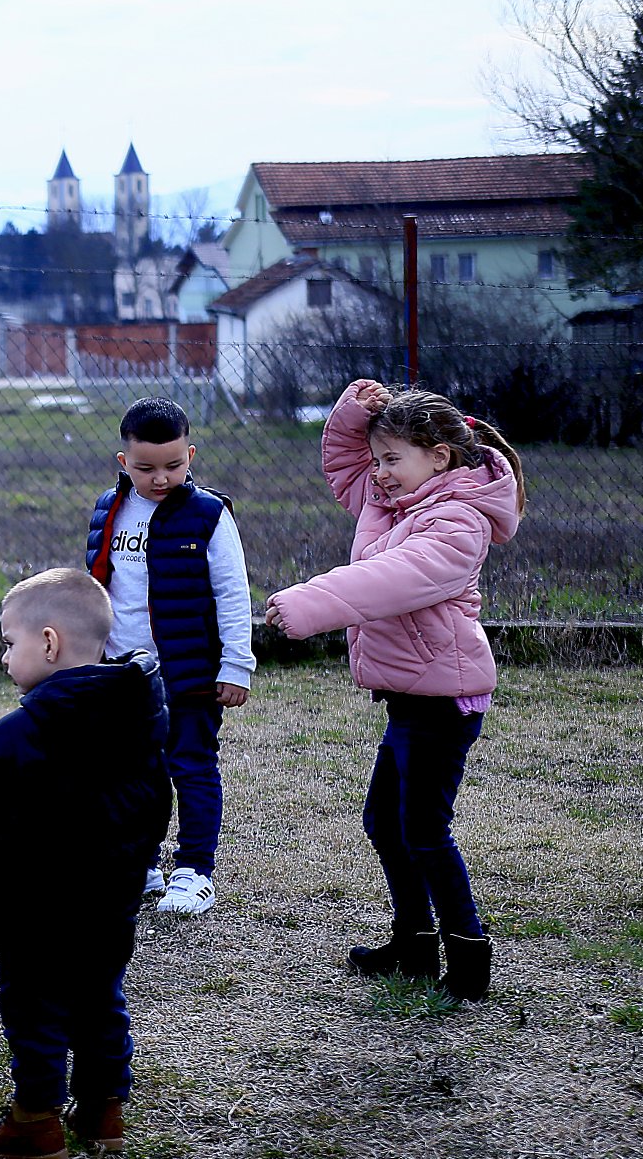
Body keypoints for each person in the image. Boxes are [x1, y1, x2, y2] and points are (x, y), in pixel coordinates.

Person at [266, 380, 524, 1004]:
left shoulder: (457, 521)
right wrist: (357, 413)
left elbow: (393, 578)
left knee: (425, 831)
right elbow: (344, 463)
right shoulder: (393, 501)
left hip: (443, 702)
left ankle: (468, 956)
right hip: (412, 697)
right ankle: (413, 942)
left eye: (392, 459)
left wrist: (308, 603)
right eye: (377, 460)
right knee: (386, 821)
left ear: (439, 457)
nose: (378, 473)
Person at [0, 568, 169, 1159]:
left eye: (9, 642)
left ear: (48, 643)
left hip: (35, 908)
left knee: (34, 1004)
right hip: (111, 898)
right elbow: (156, 802)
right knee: (100, 995)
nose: (3, 656)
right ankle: (103, 1109)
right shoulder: (140, 717)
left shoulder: (17, 734)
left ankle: (36, 1121)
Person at [84, 397, 255, 916]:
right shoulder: (106, 511)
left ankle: (194, 872)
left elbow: (232, 592)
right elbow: (96, 590)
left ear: (191, 455)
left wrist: (236, 665)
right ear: (122, 462)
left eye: (174, 465)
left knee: (193, 766)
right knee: (131, 772)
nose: (161, 478)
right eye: (145, 468)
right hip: (123, 675)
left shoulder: (209, 515)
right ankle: (144, 863)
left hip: (190, 674)